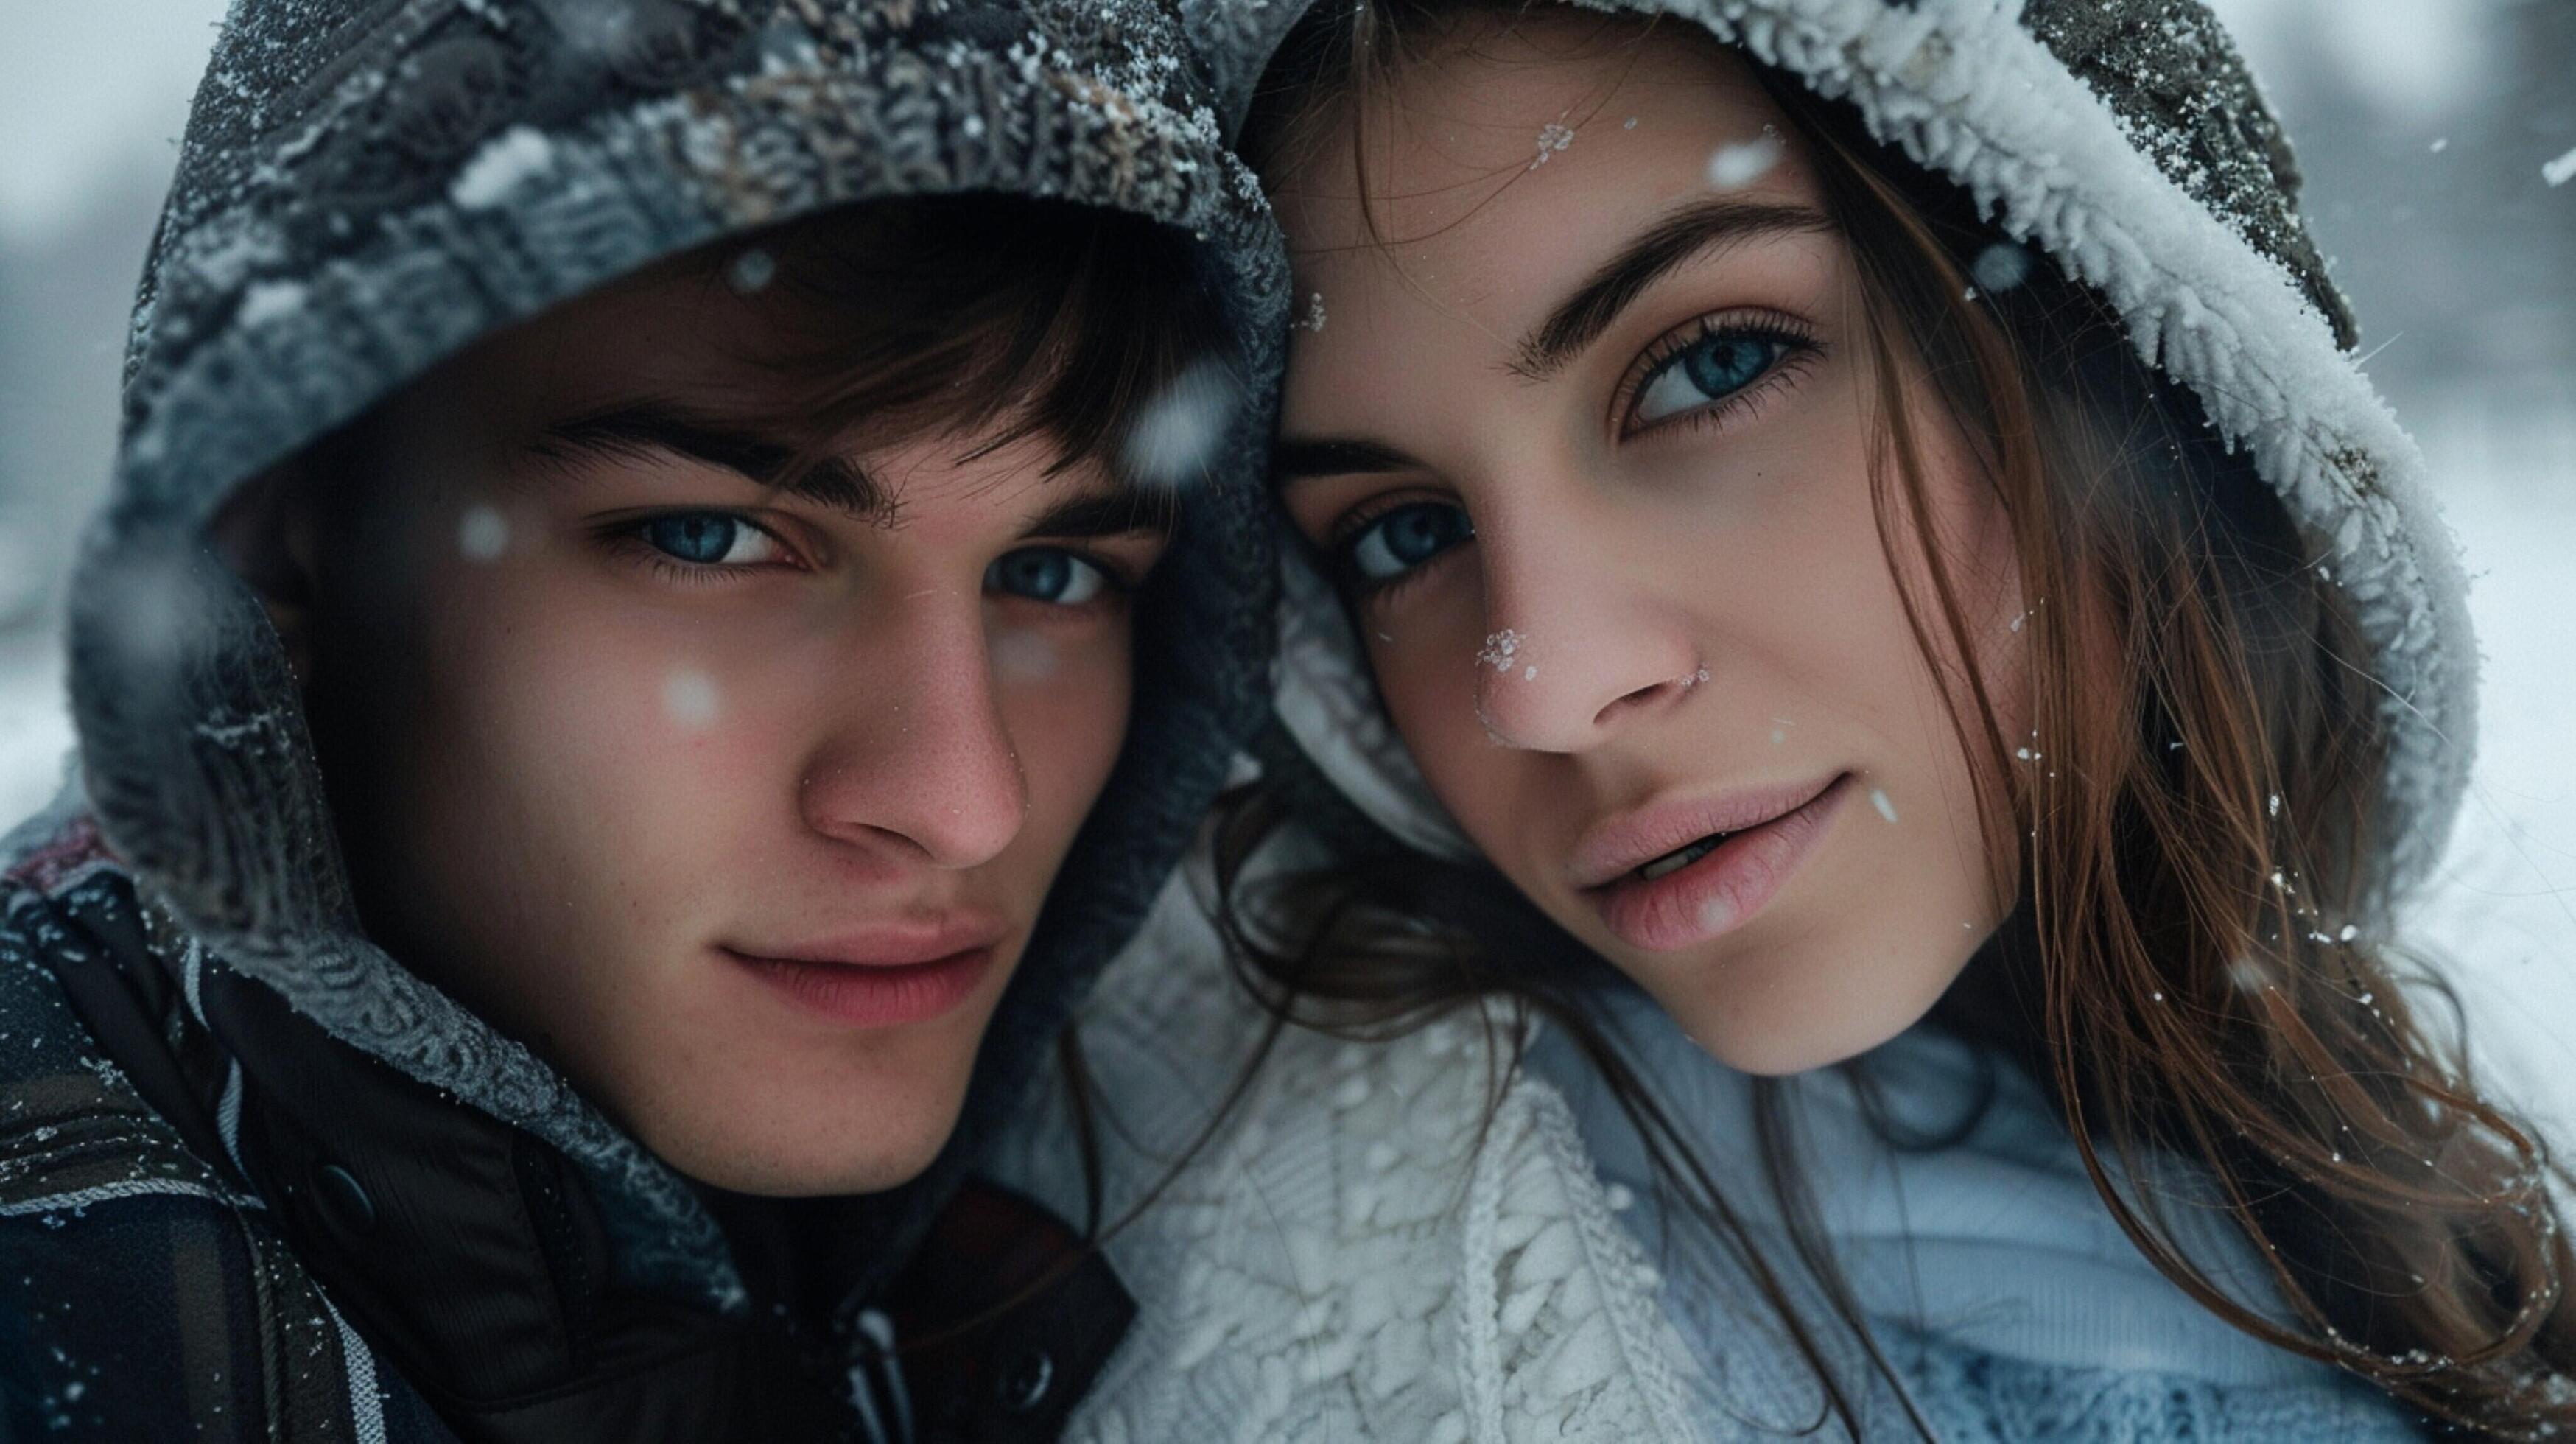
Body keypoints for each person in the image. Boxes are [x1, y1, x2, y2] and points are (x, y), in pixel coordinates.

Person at [983, 0, 2576, 1438]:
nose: (1539, 685)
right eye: (1402, 533)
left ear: (2114, 350)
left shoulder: (2417, 1257)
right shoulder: (1109, 1258)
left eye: (1710, 365)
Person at [0, 0, 1286, 1438]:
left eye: (1052, 574)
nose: (962, 799)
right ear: (285, 539)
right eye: (713, 542)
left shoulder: (1160, 1166)